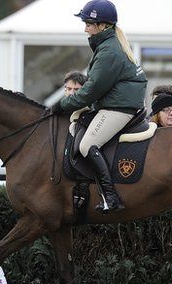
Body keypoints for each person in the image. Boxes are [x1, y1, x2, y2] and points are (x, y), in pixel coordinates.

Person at [50, 0, 147, 213]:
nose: (85, 28)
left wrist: (61, 105)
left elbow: (89, 91)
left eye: (88, 23)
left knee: (87, 145)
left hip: (119, 108)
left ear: (103, 26)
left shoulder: (109, 51)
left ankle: (111, 197)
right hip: (116, 103)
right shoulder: (107, 45)